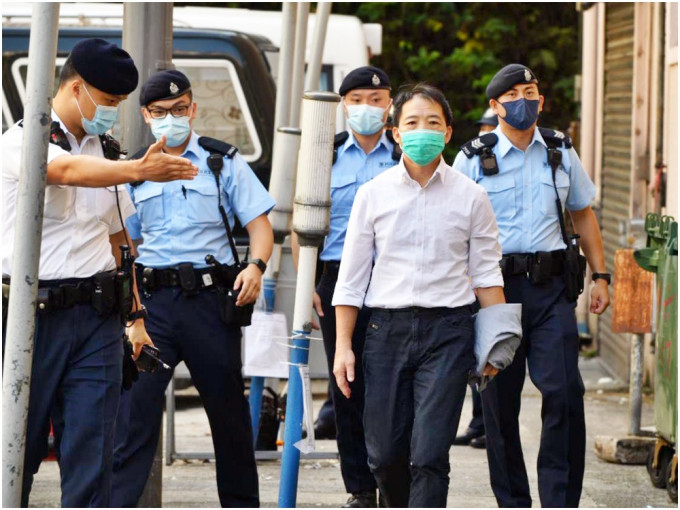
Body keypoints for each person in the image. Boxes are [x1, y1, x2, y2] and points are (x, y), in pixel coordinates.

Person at [1, 38, 197, 507]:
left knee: (93, 453)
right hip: (29, 319)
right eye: (108, 102)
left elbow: (119, 244)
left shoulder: (107, 153)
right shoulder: (22, 141)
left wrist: (136, 318)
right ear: (75, 89)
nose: (112, 112)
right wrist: (137, 170)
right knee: (15, 453)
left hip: (96, 321)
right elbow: (64, 170)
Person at [332, 83, 507, 508]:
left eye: (432, 122)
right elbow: (352, 276)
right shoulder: (372, 194)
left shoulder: (472, 196)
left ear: (448, 132)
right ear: (395, 132)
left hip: (448, 332)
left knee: (429, 455)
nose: (421, 130)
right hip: (385, 331)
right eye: (411, 122)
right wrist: (342, 346)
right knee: (386, 455)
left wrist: (499, 343)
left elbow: (486, 273)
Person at [111, 69, 275, 508]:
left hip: (209, 304)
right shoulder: (133, 172)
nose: (172, 118)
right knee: (133, 418)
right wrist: (130, 309)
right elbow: (122, 243)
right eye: (161, 112)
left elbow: (261, 227)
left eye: (179, 109)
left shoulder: (222, 161)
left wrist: (256, 266)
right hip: (152, 309)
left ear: (193, 109)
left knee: (229, 419)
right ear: (146, 115)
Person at [453, 63, 611, 508]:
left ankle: (560, 500)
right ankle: (513, 501)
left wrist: (600, 276)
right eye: (514, 93)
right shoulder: (472, 157)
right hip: (493, 293)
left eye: (531, 91)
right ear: (495, 105)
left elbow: (582, 213)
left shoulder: (560, 150)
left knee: (564, 393)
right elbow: (453, 225)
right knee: (499, 407)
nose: (524, 100)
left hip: (550, 292)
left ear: (541, 100)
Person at [292, 65, 398, 508]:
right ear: (343, 106)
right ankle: (360, 487)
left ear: (389, 103)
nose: (367, 108)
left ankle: (394, 478)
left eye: (376, 100)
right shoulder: (325, 155)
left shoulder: (405, 153)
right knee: (348, 384)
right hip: (337, 278)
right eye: (356, 100)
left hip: (394, 276)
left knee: (393, 382)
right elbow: (303, 224)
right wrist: (307, 283)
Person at [453, 107, 499, 451]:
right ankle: (478, 422)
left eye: (489, 127)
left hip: (497, 273)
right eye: (482, 127)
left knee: (495, 356)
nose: (485, 133)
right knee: (477, 359)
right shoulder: (471, 160)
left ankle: (486, 425)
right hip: (474, 274)